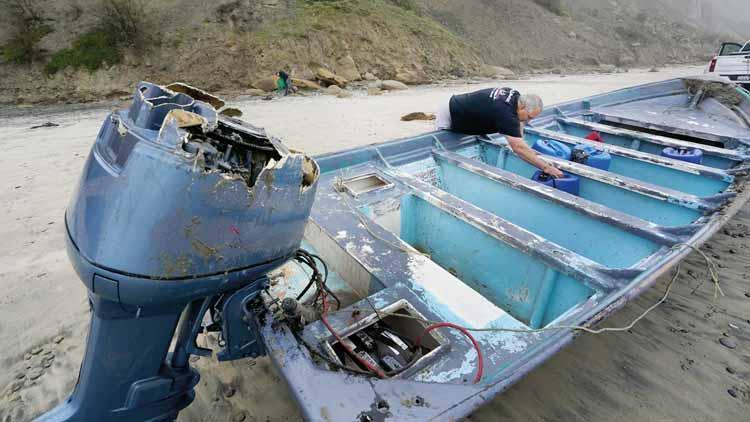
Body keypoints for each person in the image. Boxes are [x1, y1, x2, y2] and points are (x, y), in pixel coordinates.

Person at [436, 87, 564, 178]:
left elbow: (519, 123)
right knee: (445, 149)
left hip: (463, 107)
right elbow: (517, 148)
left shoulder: (515, 96)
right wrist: (546, 167)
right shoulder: (505, 113)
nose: (528, 120)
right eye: (530, 117)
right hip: (450, 113)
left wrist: (526, 147)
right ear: (522, 107)